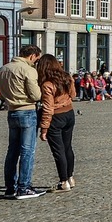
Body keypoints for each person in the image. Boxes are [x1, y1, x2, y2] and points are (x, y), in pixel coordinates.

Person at [0, 45, 44, 200]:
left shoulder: (3, 69)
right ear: (32, 56)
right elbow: (36, 95)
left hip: (11, 111)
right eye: (36, 59)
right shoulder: (28, 70)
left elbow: (1, 93)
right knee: (27, 151)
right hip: (27, 111)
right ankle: (24, 187)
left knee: (12, 151)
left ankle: (11, 187)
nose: (36, 62)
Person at [37, 54, 76, 193]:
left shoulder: (47, 84)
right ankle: (70, 177)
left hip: (56, 117)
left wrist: (44, 128)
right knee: (67, 148)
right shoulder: (67, 77)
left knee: (58, 151)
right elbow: (73, 94)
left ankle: (63, 181)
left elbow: (48, 108)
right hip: (69, 113)